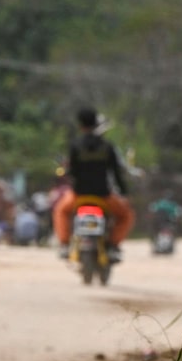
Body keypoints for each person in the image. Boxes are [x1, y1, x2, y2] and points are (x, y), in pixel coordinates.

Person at [52, 108, 134, 259]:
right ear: (96, 123)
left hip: (78, 195)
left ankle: (64, 245)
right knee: (126, 215)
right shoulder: (107, 146)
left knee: (61, 211)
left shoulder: (75, 146)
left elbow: (71, 171)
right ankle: (113, 246)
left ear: (80, 125)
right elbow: (116, 173)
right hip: (103, 195)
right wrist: (124, 193)